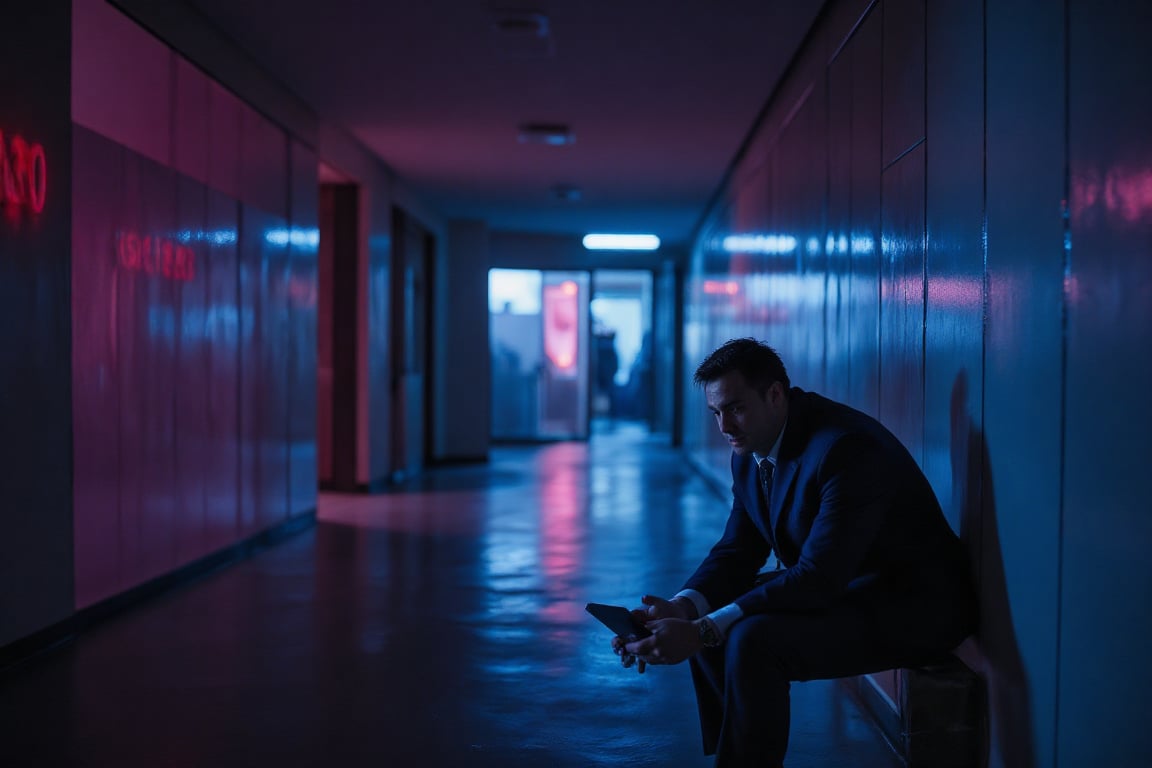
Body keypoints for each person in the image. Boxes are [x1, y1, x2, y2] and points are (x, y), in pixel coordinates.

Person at [611, 338, 977, 767]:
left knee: (749, 638)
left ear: (775, 394)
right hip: (851, 585)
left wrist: (703, 630)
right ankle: (736, 754)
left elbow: (819, 577)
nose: (725, 426)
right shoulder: (750, 449)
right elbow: (737, 551)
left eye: (736, 407)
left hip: (914, 606)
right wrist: (681, 608)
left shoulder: (845, 449)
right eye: (716, 413)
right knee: (719, 618)